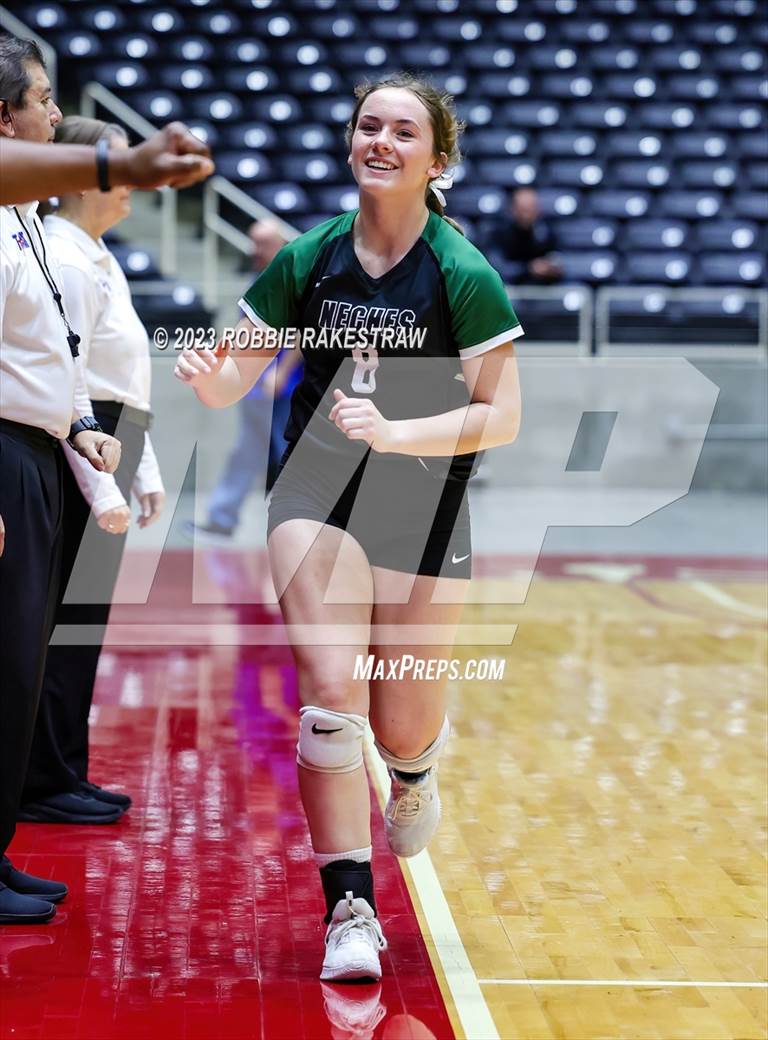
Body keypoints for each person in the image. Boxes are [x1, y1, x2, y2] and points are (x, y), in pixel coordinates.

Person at [174, 73, 522, 981]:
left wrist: (400, 433)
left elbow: (503, 415)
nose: (381, 140)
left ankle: (412, 775)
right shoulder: (308, 258)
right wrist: (209, 374)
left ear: (436, 160)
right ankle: (350, 909)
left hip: (422, 505)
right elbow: (232, 382)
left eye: (403, 131)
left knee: (402, 723)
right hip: (316, 496)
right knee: (332, 701)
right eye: (368, 125)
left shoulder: (463, 271)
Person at [0, 35, 121, 923]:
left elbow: (50, 352)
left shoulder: (26, 222)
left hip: (39, 451)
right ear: (5, 120)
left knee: (18, 664)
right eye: (42, 101)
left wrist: (78, 425)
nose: (54, 115)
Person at [17, 115, 166, 825]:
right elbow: (75, 383)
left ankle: (62, 768)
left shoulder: (97, 256)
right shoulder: (68, 260)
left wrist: (145, 468)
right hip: (87, 445)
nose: (129, 183)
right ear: (81, 179)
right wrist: (107, 478)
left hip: (112, 436)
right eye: (112, 165)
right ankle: (45, 777)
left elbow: (126, 385)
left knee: (81, 626)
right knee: (62, 627)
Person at [186, 220, 302, 541]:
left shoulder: (293, 272)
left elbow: (303, 333)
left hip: (283, 388)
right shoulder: (257, 276)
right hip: (253, 386)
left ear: (279, 242)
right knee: (247, 452)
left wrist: (282, 372)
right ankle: (222, 518)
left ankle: (297, 525)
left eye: (263, 243)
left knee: (285, 455)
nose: (256, 250)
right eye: (254, 242)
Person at [0, 121, 214, 205]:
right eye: (44, 100)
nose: (56, 112)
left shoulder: (31, 220)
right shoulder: (68, 257)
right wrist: (127, 166)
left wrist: (128, 165)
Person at [491, 187, 562, 284]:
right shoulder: (499, 231)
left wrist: (550, 268)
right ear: (513, 209)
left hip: (543, 287)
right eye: (523, 209)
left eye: (532, 208)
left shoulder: (546, 231)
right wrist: (529, 268)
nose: (527, 214)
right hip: (510, 287)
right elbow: (497, 268)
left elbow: (557, 259)